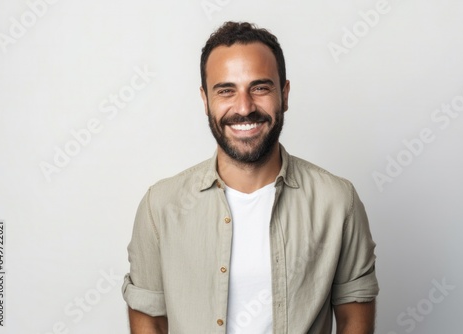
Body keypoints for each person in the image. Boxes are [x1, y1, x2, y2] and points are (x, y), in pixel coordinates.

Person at [122, 21, 379, 334]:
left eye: (260, 88)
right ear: (205, 100)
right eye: (226, 90)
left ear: (284, 94)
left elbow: (355, 319)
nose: (244, 107)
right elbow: (148, 319)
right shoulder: (159, 206)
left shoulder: (337, 201)